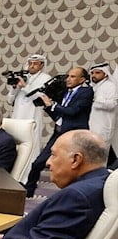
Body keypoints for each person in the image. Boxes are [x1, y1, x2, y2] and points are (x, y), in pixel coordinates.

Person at [24, 66, 94, 196]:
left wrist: (53, 105)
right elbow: (57, 113)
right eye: (68, 76)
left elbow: (73, 111)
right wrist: (47, 105)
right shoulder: (64, 92)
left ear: (82, 79)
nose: (68, 79)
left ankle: (75, 194)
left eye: (73, 76)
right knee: (38, 162)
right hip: (59, 132)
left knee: (74, 166)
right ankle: (29, 190)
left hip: (74, 135)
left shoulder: (86, 92)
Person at [6, 53, 52, 157]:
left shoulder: (46, 78)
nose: (32, 66)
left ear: (42, 65)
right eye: (30, 63)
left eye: (35, 63)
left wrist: (25, 86)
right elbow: (9, 100)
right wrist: (14, 87)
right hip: (17, 115)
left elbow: (41, 97)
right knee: (14, 143)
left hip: (32, 115)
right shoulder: (22, 76)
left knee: (31, 144)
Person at [88, 62, 117, 167]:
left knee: (101, 155)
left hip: (104, 126)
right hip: (93, 125)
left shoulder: (110, 86)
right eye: (92, 73)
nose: (94, 75)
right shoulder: (94, 87)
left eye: (97, 73)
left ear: (105, 74)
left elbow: (112, 104)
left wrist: (95, 100)